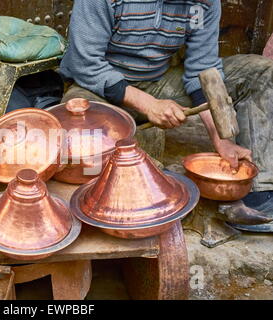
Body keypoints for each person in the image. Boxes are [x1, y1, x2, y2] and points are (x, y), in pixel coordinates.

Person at [59, 0, 273, 217]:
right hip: (97, 90)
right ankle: (145, 181)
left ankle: (259, 189)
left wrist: (222, 138)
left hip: (159, 83)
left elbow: (202, 69)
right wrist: (148, 105)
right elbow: (84, 64)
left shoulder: (204, 3)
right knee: (74, 129)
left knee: (259, 71)